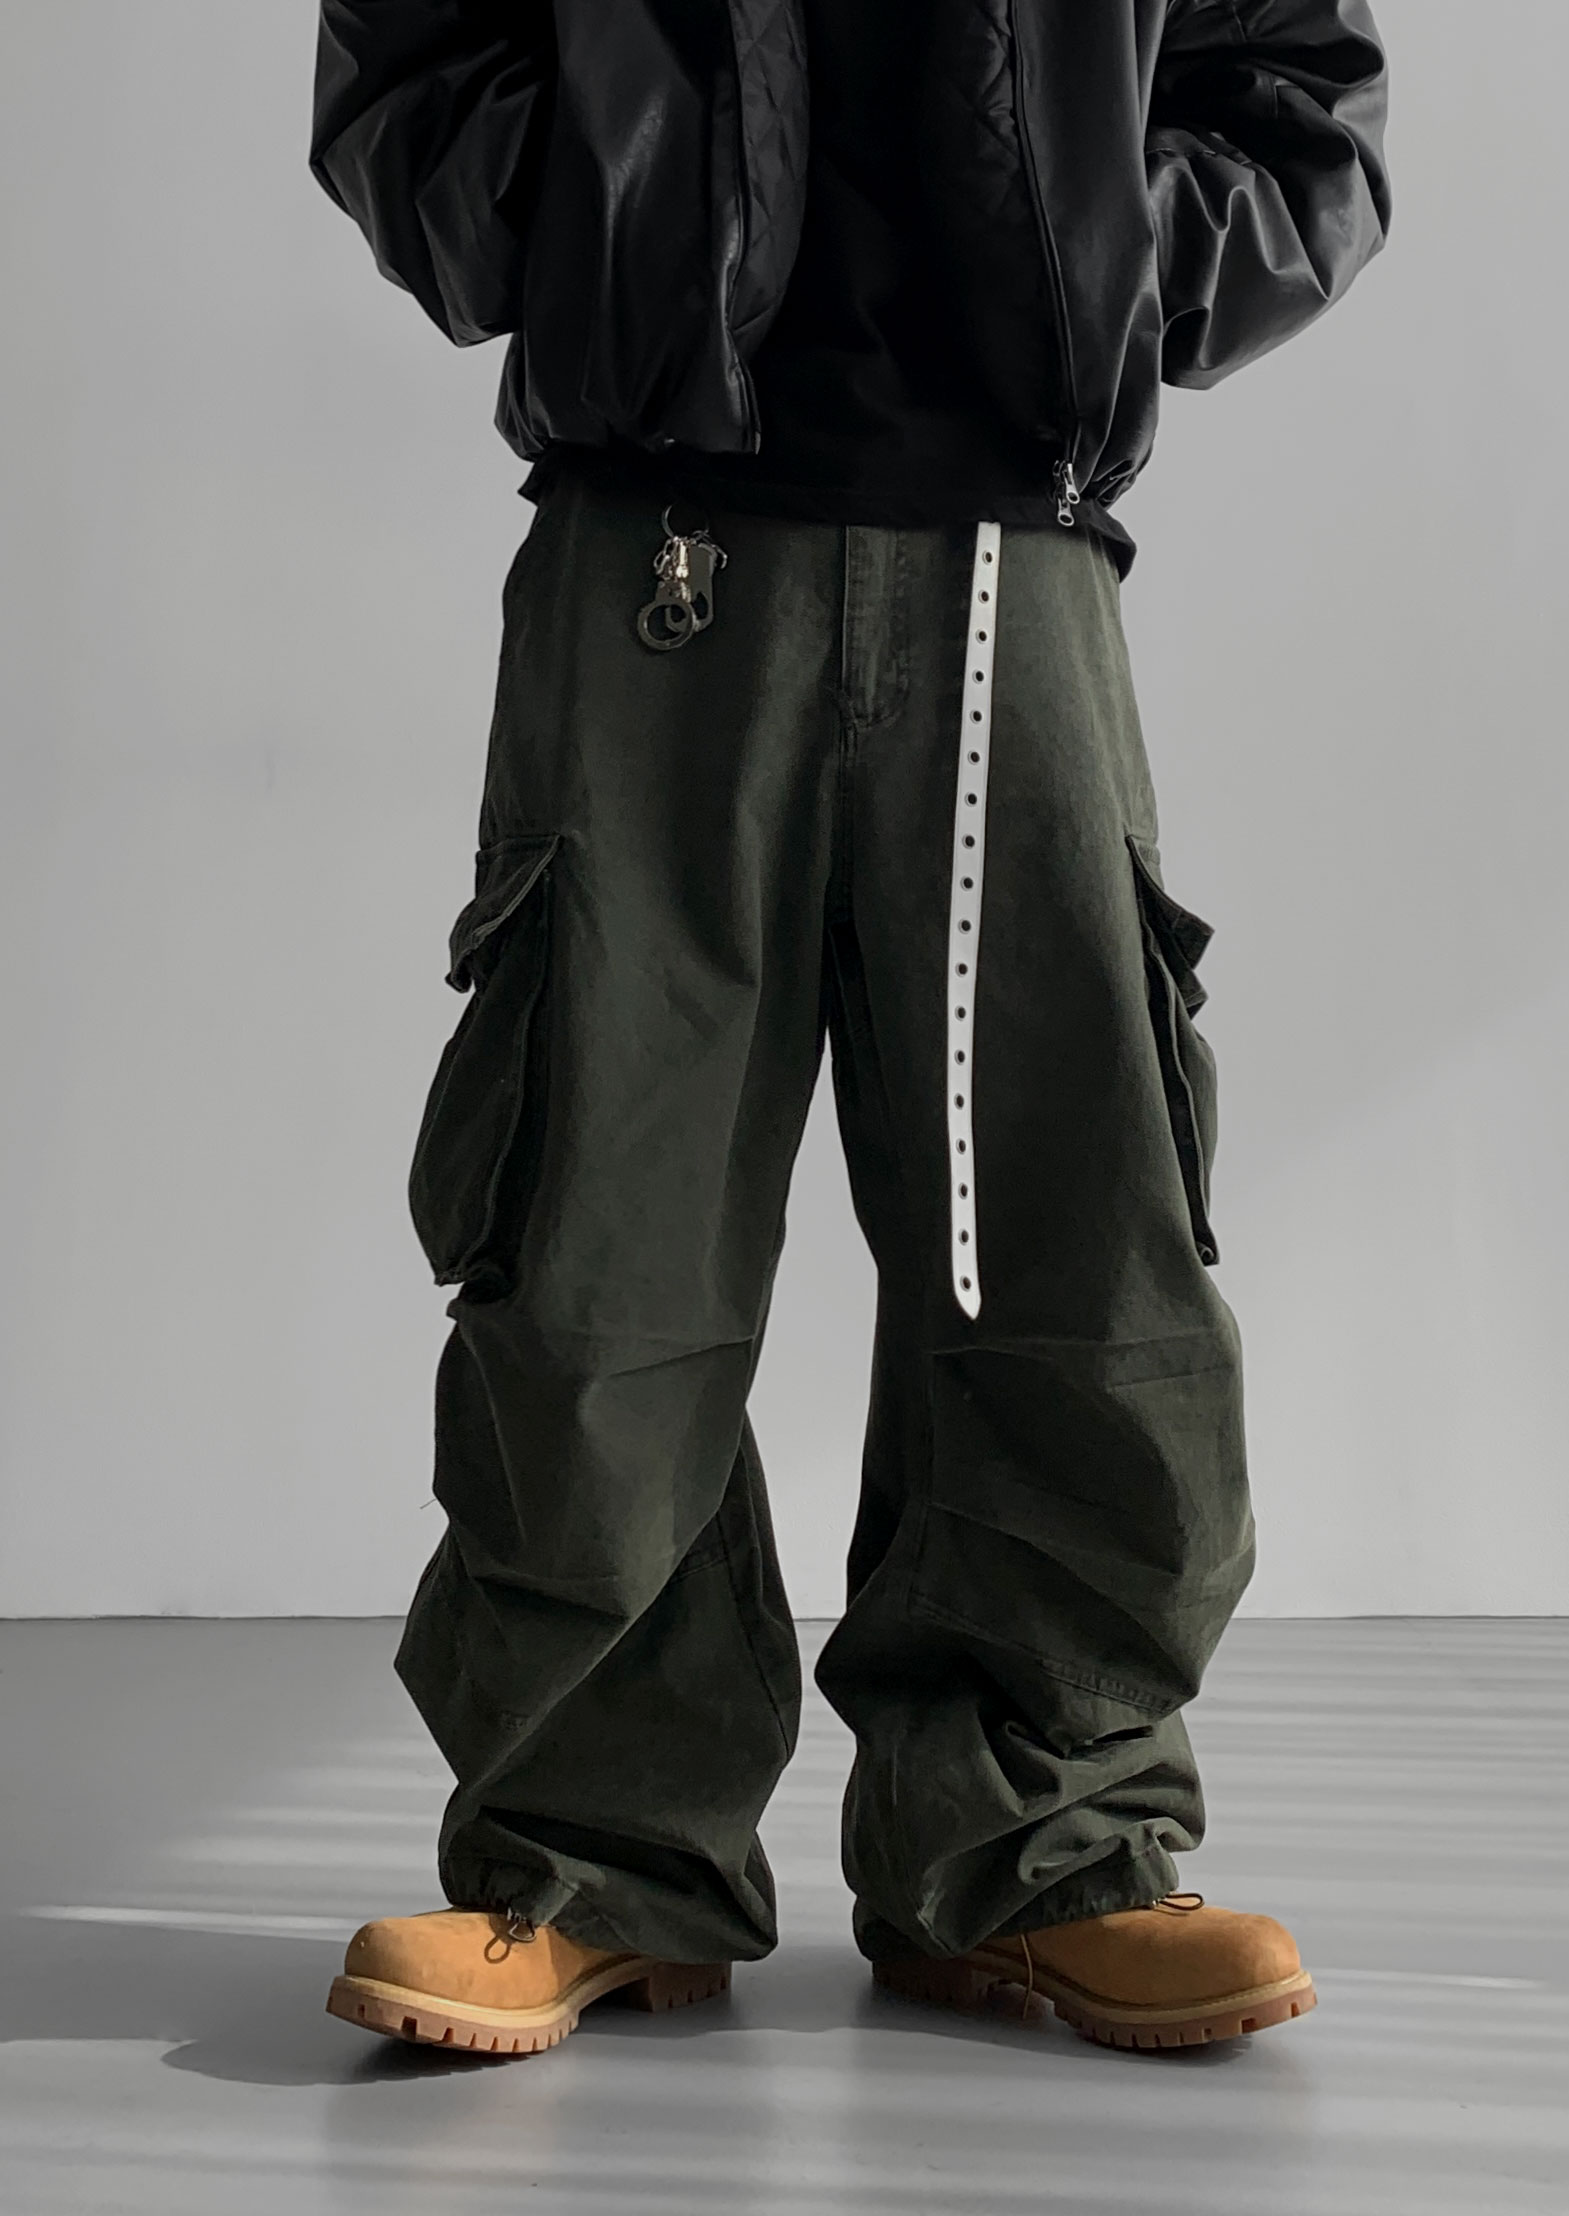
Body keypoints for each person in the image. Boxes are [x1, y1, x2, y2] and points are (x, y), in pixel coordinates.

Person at [308, 0, 1390, 2058]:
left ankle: (1045, 1846)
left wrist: (1103, 265)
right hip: (656, 551)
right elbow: (406, 75)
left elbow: (1304, 105)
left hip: (1015, 568)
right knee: (599, 1236)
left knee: (1074, 1230)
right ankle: (587, 1856)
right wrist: (602, 243)